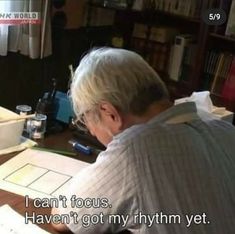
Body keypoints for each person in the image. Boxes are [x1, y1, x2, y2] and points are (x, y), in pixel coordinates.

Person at [51, 48, 235, 234]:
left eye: (85, 120)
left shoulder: (132, 151)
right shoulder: (225, 129)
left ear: (110, 113)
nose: (90, 130)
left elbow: (62, 218)